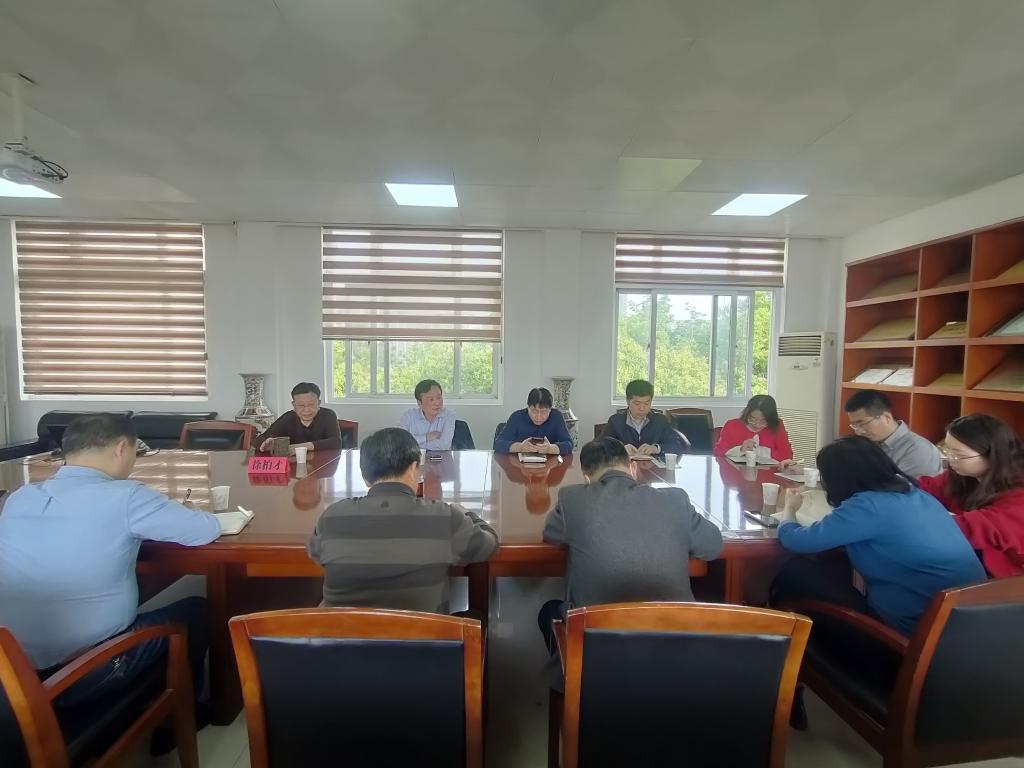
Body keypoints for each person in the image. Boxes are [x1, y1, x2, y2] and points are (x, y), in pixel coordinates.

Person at [0, 414, 220, 709]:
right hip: (83, 672)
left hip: (11, 676)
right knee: (196, 610)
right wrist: (188, 511)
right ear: (121, 448)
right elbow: (204, 530)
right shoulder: (126, 496)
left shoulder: (19, 498)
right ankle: (183, 714)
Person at [771, 436, 986, 637]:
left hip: (903, 633)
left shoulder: (867, 505)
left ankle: (780, 640)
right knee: (833, 564)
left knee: (796, 570)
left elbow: (797, 541)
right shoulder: (916, 494)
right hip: (959, 632)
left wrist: (790, 509)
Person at [538, 438, 723, 663]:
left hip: (600, 649)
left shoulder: (573, 498)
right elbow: (712, 546)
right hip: (675, 642)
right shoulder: (675, 499)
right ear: (632, 468)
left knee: (549, 610)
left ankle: (569, 676)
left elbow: (551, 533)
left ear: (586, 477)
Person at [308, 428, 498, 613]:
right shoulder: (443, 516)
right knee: (476, 615)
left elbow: (316, 554)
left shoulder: (332, 516)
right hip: (423, 633)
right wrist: (467, 514)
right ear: (413, 469)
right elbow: (488, 545)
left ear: (365, 477)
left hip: (340, 632)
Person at [918, 414, 1024, 577]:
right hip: (973, 563)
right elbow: (925, 487)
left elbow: (972, 528)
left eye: (958, 454)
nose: (950, 459)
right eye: (947, 450)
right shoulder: (963, 476)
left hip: (1009, 579)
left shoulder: (1019, 496)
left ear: (991, 454)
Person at [844, 389, 941, 478]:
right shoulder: (866, 444)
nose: (859, 431)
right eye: (855, 425)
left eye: (862, 423)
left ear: (886, 417)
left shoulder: (918, 449)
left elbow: (903, 489)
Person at [600, 379, 687, 456]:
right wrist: (620, 449)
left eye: (646, 403)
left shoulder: (660, 420)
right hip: (624, 467)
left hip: (653, 467)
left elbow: (676, 446)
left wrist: (656, 448)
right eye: (637, 403)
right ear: (628, 401)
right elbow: (599, 446)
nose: (642, 408)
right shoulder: (616, 421)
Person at [255, 382, 342, 454]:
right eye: (301, 405)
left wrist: (299, 447)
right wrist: (267, 444)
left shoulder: (328, 415)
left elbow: (336, 442)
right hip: (294, 466)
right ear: (294, 405)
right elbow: (258, 440)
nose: (306, 410)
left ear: (318, 403)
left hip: (324, 464)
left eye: (311, 405)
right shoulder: (288, 418)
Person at [714, 394, 795, 466]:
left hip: (768, 475)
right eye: (752, 419)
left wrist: (758, 451)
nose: (757, 424)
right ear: (746, 413)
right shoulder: (732, 425)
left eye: (763, 421)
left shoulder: (777, 426)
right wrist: (741, 449)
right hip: (737, 474)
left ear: (771, 419)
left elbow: (787, 456)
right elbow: (718, 451)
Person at [494, 387, 573, 456]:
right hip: (519, 464)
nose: (538, 416)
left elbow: (569, 444)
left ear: (550, 409)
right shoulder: (517, 417)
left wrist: (550, 449)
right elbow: (498, 444)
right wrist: (520, 447)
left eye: (544, 412)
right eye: (534, 411)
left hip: (549, 464)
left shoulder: (556, 416)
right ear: (528, 407)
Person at [399, 379, 456, 450]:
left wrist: (412, 444)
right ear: (419, 403)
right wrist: (426, 437)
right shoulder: (408, 416)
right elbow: (400, 442)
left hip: (441, 456)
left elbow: (444, 445)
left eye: (439, 398)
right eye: (431, 399)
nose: (437, 403)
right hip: (413, 456)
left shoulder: (449, 415)